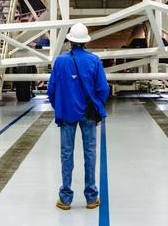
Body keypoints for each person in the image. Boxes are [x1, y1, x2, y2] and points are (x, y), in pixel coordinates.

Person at [47, 22, 110, 211]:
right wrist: (96, 106)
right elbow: (103, 89)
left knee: (66, 153)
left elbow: (51, 90)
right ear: (85, 42)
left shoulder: (60, 62)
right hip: (89, 115)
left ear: (70, 41)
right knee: (90, 153)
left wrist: (60, 106)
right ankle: (91, 198)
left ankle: (65, 198)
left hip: (67, 114)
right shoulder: (94, 61)